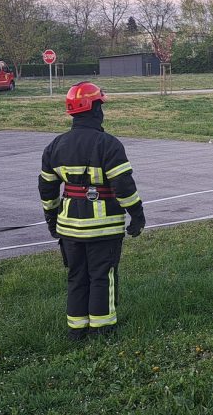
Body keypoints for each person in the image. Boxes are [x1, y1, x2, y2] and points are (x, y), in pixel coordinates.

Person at [39, 82, 146, 341]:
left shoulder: (55, 146)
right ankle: (103, 329)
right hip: (104, 227)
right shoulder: (109, 144)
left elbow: (47, 189)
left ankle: (76, 329)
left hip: (69, 228)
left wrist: (52, 219)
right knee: (102, 276)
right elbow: (123, 185)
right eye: (101, 105)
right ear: (95, 109)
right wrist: (137, 214)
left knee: (77, 276)